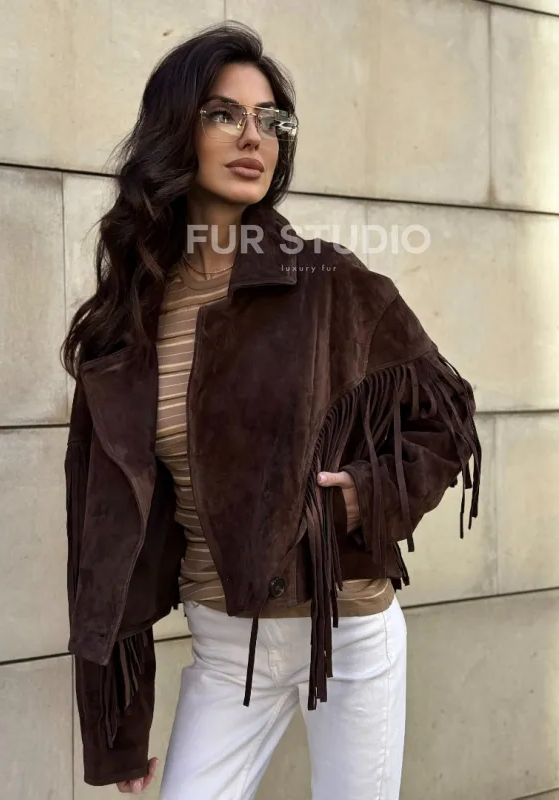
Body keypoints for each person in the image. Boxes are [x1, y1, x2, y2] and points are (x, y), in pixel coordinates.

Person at [60, 20, 482, 800]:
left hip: (347, 631)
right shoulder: (128, 321)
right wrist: (117, 729)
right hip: (225, 648)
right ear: (175, 131)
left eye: (269, 119)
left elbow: (447, 415)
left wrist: (367, 493)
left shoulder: (325, 282)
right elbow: (100, 534)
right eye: (224, 114)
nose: (254, 137)